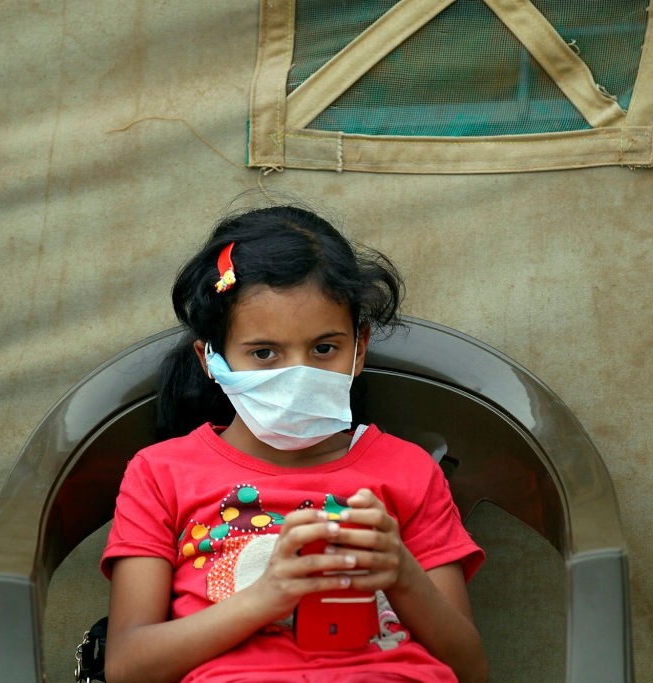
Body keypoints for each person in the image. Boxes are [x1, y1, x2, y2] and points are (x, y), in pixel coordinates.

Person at [101, 205, 488, 682]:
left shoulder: (409, 470)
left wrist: (402, 574)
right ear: (211, 359)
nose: (298, 374)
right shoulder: (161, 474)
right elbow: (127, 667)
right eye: (264, 353)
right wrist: (267, 596)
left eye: (324, 349)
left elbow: (469, 668)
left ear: (359, 348)